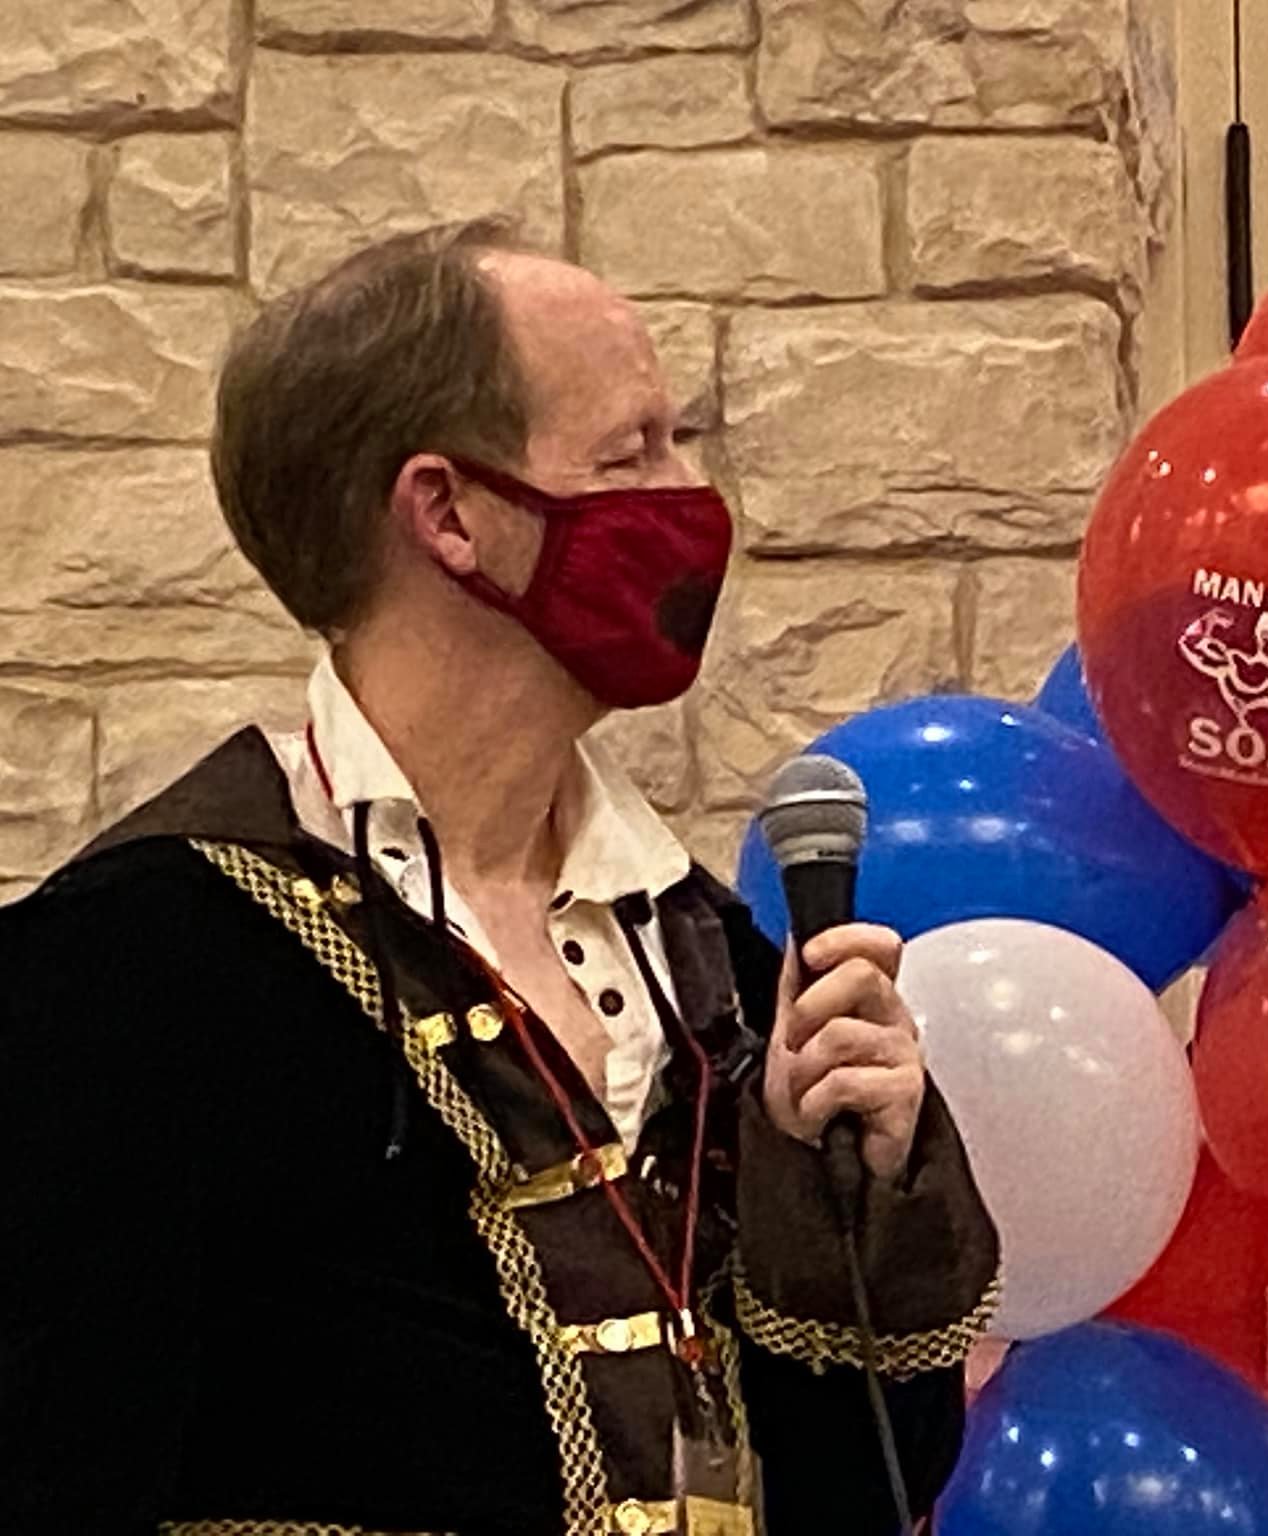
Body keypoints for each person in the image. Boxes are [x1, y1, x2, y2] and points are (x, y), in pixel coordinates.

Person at [0, 220, 1000, 1536]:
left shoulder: (716, 968)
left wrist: (848, 1196)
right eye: (631, 452)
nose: (693, 499)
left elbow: (859, 1492)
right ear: (450, 514)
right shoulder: (133, 967)